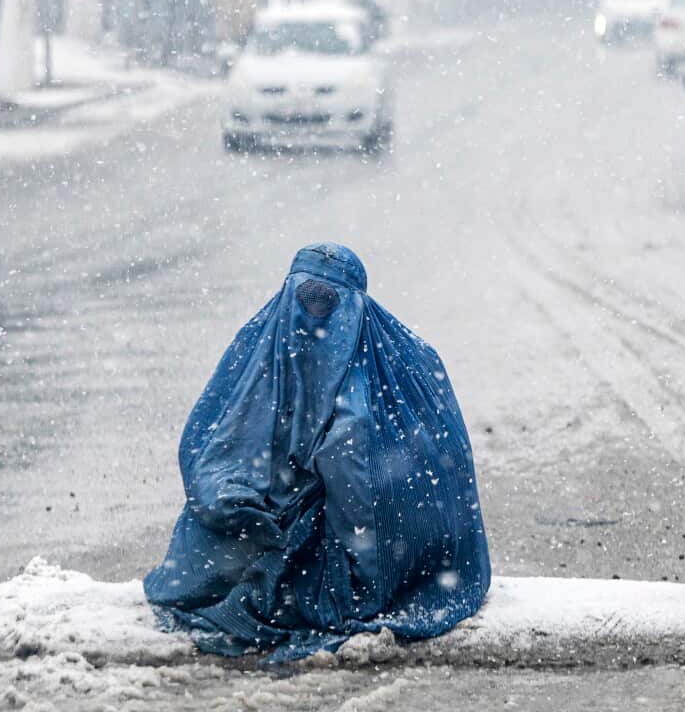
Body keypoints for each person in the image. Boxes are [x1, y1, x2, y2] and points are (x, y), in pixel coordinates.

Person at [144, 243, 491, 662]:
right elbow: (213, 441)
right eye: (305, 299)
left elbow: (396, 481)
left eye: (328, 301)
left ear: (357, 303)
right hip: (282, 511)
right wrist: (239, 499)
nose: (314, 312)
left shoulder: (404, 366)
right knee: (221, 542)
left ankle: (357, 580)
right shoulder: (258, 351)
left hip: (378, 531)